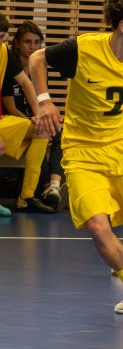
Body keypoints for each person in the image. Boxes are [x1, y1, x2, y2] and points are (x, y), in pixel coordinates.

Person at [30, 0, 123, 314]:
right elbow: (37, 58)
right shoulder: (82, 49)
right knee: (97, 225)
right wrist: (44, 101)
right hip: (82, 151)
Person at [3, 20, 65, 211]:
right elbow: (9, 106)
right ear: (18, 43)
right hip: (13, 119)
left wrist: (40, 116)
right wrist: (32, 119)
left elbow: (30, 87)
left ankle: (46, 189)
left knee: (51, 130)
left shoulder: (8, 55)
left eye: (36, 42)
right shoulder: (10, 59)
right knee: (42, 131)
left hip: (26, 122)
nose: (32, 46)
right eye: (27, 42)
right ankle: (42, 189)